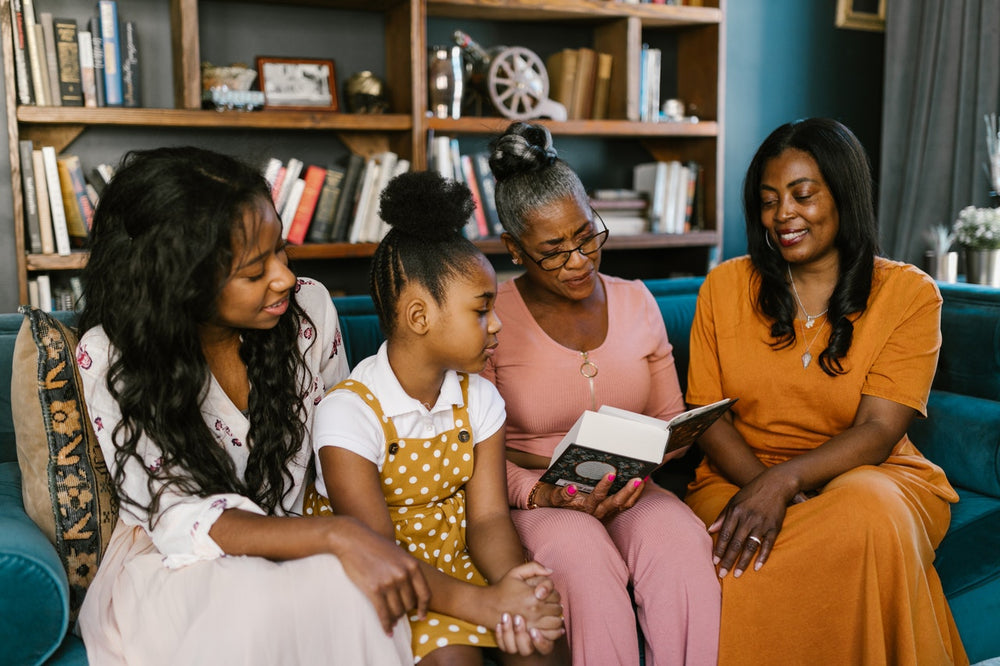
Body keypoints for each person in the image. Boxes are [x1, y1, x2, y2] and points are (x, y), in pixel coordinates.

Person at [75, 146, 428, 665]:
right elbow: (179, 517)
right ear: (181, 284)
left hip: (305, 543)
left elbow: (341, 451)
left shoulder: (309, 311)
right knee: (256, 596)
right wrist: (336, 535)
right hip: (179, 568)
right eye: (254, 270)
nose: (284, 277)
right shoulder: (110, 355)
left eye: (281, 251)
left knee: (351, 590)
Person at [683, 117, 969, 665]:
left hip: (870, 477)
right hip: (738, 476)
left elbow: (879, 431)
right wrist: (766, 487)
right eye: (769, 200)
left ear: (844, 194)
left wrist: (786, 482)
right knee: (738, 553)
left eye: (802, 195)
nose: (783, 214)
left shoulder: (909, 294)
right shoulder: (723, 286)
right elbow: (707, 415)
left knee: (869, 512)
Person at [481, 121, 721, 665]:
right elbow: (474, 451)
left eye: (587, 235)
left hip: (633, 487)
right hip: (537, 495)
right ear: (515, 249)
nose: (579, 260)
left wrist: (661, 445)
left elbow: (668, 420)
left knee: (681, 543)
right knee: (583, 558)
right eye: (554, 249)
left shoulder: (637, 301)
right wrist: (541, 494)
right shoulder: (489, 315)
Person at [307, 170, 568, 665]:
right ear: (420, 317)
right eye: (481, 309)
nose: (497, 325)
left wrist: (518, 592)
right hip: (382, 580)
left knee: (542, 641)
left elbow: (489, 519)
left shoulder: (481, 399)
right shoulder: (348, 413)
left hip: (457, 566)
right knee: (453, 659)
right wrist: (488, 606)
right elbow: (379, 553)